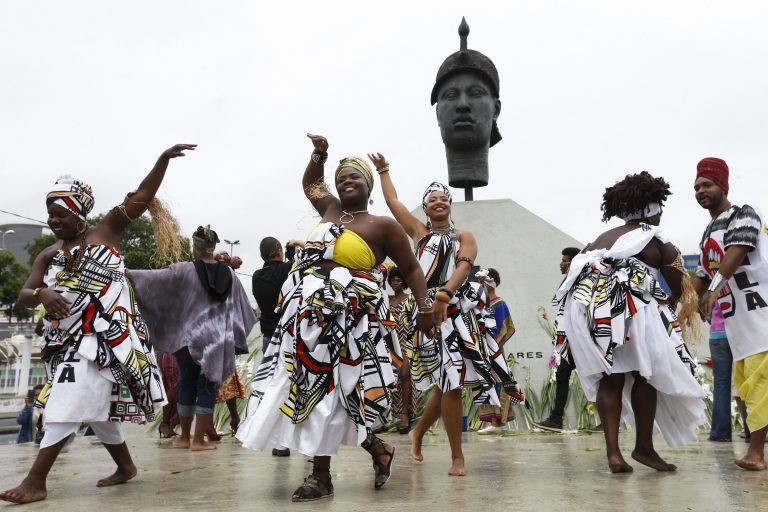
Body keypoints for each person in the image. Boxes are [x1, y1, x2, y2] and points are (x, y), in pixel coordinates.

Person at [236, 134, 433, 502]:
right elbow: (311, 182)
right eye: (341, 176)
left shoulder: (382, 225)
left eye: (354, 176)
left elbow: (413, 270)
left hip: (350, 321)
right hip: (307, 317)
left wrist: (425, 309)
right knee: (313, 390)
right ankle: (374, 450)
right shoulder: (328, 210)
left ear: (368, 186)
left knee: (333, 391)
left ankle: (322, 476)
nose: (346, 180)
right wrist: (320, 154)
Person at [0, 144, 193, 504]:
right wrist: (41, 295)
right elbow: (26, 293)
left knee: (68, 401)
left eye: (60, 214)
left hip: (108, 339)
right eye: (50, 214)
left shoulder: (106, 233)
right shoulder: (49, 253)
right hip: (68, 342)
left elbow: (141, 197)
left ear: (79, 215)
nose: (54, 221)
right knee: (98, 409)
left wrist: (162, 160)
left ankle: (35, 481)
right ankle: (126, 467)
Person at [377, 155, 523, 477]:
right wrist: (384, 171)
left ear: (451, 205)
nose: (439, 202)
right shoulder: (417, 234)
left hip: (458, 313)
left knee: (448, 384)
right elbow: (391, 201)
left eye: (444, 198)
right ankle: (457, 457)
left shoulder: (463, 237)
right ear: (425, 209)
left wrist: (446, 292)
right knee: (449, 383)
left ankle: (419, 434)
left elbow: (464, 265)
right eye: (432, 199)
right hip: (430, 317)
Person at [553, 171, 706, 474]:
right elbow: (679, 289)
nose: (661, 212)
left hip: (593, 316)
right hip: (633, 314)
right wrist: (669, 321)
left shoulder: (598, 241)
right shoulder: (656, 239)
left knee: (611, 379)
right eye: (659, 206)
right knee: (644, 375)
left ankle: (613, 453)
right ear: (650, 207)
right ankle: (644, 448)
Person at [130, 225, 254, 452]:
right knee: (207, 388)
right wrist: (232, 338)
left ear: (195, 249)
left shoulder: (184, 270)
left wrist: (129, 273)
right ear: (213, 247)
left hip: (188, 341)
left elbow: (155, 280)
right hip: (216, 343)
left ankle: (185, 437)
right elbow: (243, 309)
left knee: (187, 384)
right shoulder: (230, 275)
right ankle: (199, 441)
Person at [693, 157, 768, 470]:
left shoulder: (744, 214)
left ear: (723, 185)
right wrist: (684, 305)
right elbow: (701, 271)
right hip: (738, 325)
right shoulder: (709, 229)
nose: (700, 191)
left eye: (707, 184)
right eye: (696, 186)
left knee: (761, 384)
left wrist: (712, 289)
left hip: (761, 317)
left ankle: (756, 453)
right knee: (744, 388)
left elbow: (737, 250)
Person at [251, 236, 304, 456]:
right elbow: (297, 273)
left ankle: (279, 442)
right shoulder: (287, 269)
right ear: (278, 251)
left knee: (275, 387)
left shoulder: (256, 276)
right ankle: (299, 438)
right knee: (297, 385)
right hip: (289, 336)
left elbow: (283, 274)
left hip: (268, 338)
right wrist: (296, 249)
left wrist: (288, 257)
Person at [535, 247, 582, 432]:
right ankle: (556, 419)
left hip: (579, 341)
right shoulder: (569, 282)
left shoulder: (580, 282)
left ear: (574, 263)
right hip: (569, 341)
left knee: (598, 379)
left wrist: (574, 337)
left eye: (565, 260)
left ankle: (612, 420)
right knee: (562, 375)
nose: (561, 263)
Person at [476, 268, 517, 434]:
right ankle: (493, 421)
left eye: (485, 280)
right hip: (482, 348)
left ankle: (496, 423)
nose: (482, 283)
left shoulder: (499, 303)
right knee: (486, 382)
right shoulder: (479, 303)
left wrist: (495, 346)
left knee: (497, 382)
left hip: (495, 349)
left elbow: (505, 326)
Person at [387, 266, 418, 434]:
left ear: (404, 282)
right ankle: (387, 417)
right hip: (389, 345)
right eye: (392, 280)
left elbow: (415, 324)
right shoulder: (386, 300)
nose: (395, 283)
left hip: (406, 342)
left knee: (405, 375)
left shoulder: (410, 299)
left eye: (398, 280)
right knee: (388, 381)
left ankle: (406, 414)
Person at [707, 302, 733, 442]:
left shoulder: (713, 279)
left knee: (721, 383)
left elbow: (700, 298)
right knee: (748, 381)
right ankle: (752, 433)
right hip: (742, 332)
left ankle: (720, 432)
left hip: (718, 332)